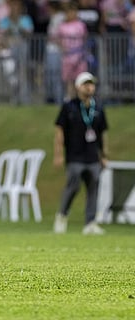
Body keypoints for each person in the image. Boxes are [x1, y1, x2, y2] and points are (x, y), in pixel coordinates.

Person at [53, 71, 109, 235]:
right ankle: (62, 215)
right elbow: (59, 131)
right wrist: (58, 154)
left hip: (92, 156)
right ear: (78, 87)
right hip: (74, 156)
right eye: (86, 84)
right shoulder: (69, 106)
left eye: (91, 84)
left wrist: (104, 155)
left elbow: (103, 133)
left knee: (94, 187)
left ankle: (90, 222)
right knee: (73, 185)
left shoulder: (98, 107)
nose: (89, 87)